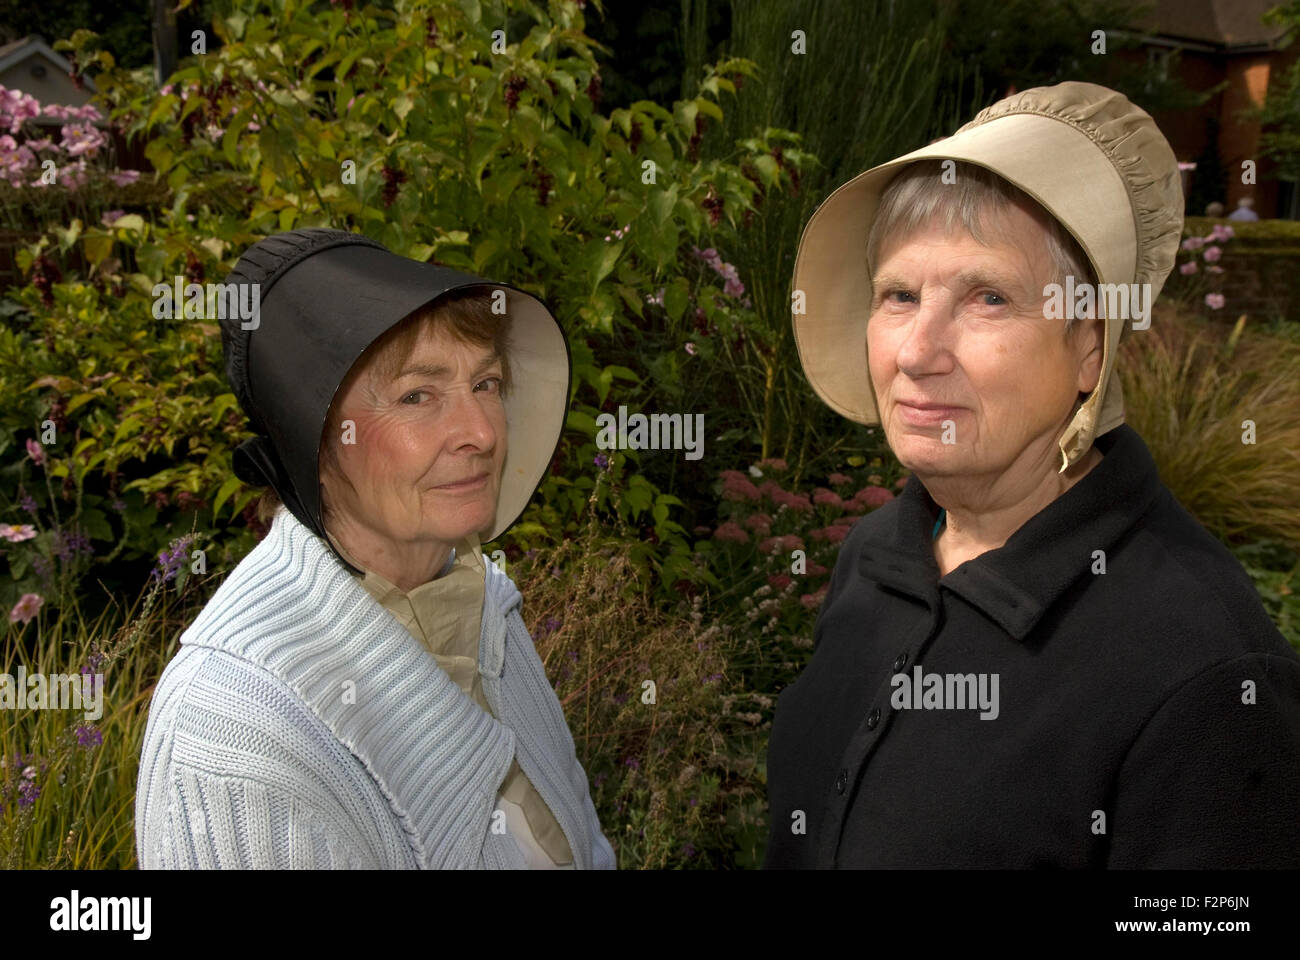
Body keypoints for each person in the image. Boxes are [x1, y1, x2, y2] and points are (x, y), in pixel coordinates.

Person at [766, 81, 1300, 868]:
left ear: (1091, 345)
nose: (917, 352)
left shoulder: (1209, 675)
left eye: (988, 298)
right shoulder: (880, 554)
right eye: (900, 294)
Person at [135, 228, 616, 869]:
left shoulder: (482, 605)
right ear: (317, 444)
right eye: (418, 396)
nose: (479, 432)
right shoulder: (236, 730)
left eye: (487, 383)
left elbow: (583, 843)